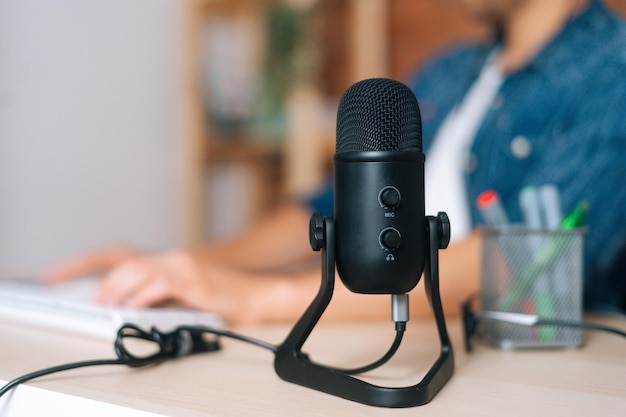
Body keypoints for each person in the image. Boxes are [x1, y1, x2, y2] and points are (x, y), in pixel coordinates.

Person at [43, 0, 626, 323]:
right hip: (370, 337)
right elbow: (326, 212)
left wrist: (256, 299)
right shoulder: (449, 72)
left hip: (515, 367)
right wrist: (181, 266)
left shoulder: (614, 72)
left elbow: (533, 257)